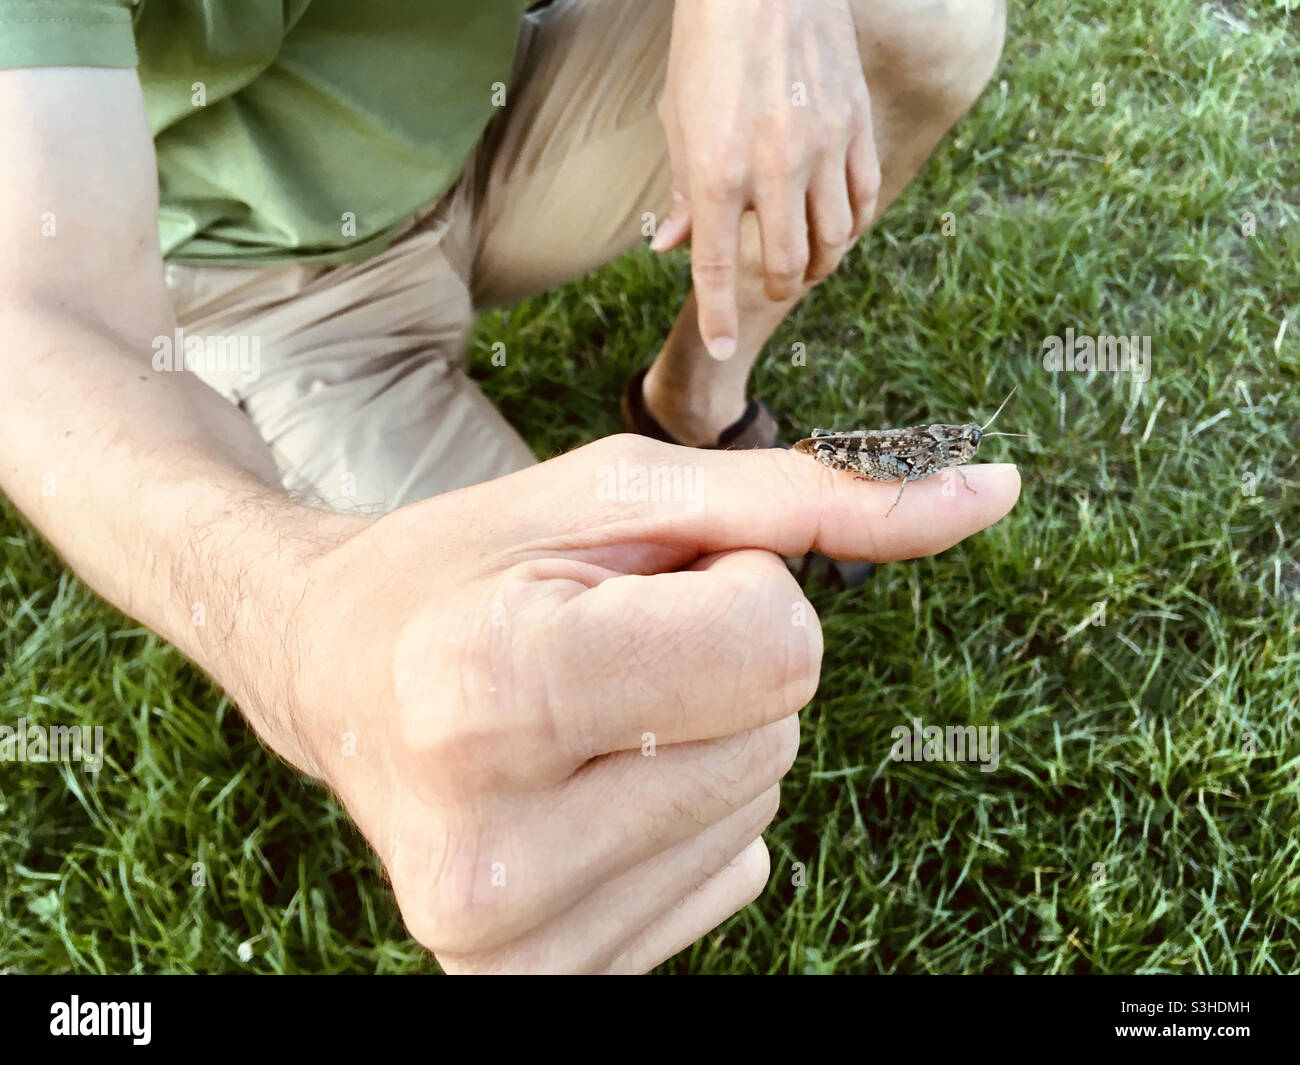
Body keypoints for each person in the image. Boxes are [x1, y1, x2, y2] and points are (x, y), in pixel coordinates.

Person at [0, 0, 1018, 972]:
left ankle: (693, 400)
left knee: (915, 15)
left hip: (496, 121)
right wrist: (299, 625)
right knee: (597, 694)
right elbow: (45, 323)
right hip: (272, 280)